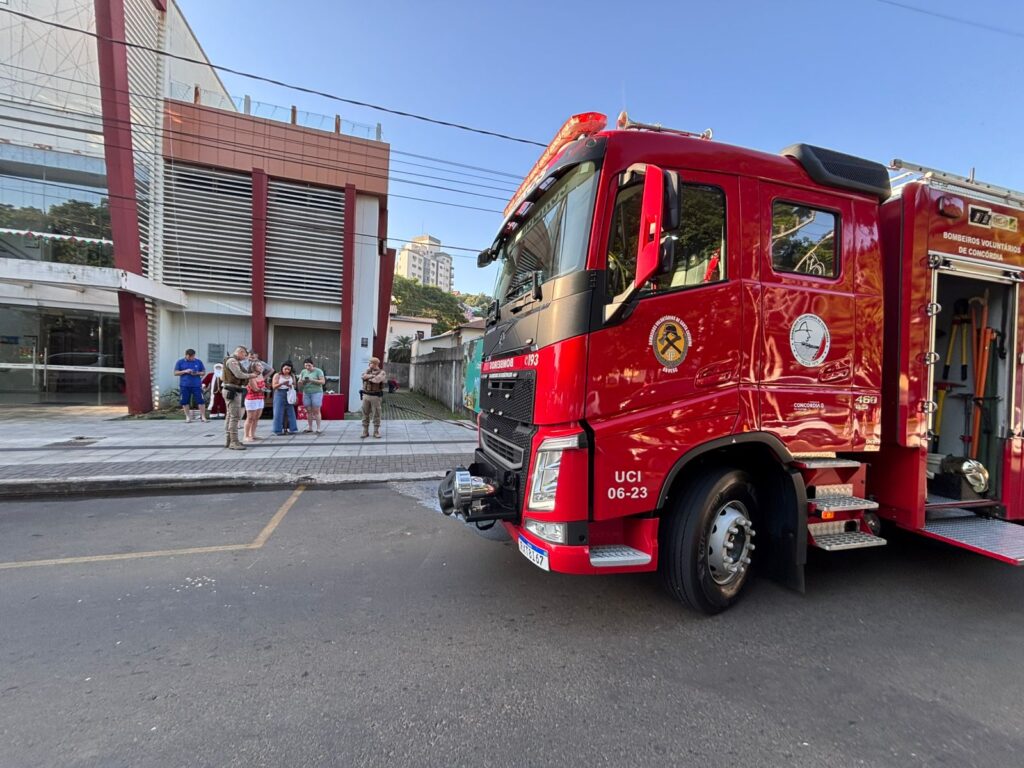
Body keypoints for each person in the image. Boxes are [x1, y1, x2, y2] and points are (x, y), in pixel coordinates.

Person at [221, 345, 258, 450]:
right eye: (245, 355)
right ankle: (234, 442)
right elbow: (238, 374)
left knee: (230, 416)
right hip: (232, 390)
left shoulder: (231, 360)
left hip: (231, 389)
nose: (245, 357)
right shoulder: (232, 361)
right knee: (234, 417)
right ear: (240, 352)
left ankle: (229, 440)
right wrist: (251, 375)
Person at [173, 348, 208, 423]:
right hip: (184, 385)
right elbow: (175, 373)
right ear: (186, 355)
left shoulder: (198, 362)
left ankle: (203, 417)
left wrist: (196, 373)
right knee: (185, 401)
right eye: (190, 357)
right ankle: (188, 417)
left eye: (193, 357)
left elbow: (203, 372)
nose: (191, 358)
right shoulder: (180, 362)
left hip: (196, 385)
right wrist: (185, 371)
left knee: (201, 401)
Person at [360, 356, 387, 439]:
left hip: (375, 396)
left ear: (375, 364)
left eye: (371, 363)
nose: (369, 364)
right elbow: (362, 376)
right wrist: (371, 376)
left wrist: (369, 377)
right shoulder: (367, 371)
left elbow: (377, 380)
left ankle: (376, 431)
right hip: (366, 395)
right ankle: (365, 431)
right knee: (365, 413)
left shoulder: (382, 372)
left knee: (376, 414)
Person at [297, 357, 326, 434]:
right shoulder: (303, 372)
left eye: (309, 365)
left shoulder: (318, 371)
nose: (307, 367)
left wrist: (311, 380)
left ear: (312, 365)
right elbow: (300, 382)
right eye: (306, 365)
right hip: (306, 392)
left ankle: (318, 428)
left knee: (316, 410)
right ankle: (310, 427)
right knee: (308, 410)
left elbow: (323, 382)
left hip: (316, 392)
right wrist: (301, 382)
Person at [271, 361, 299, 436]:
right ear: (282, 368)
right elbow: (274, 386)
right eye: (285, 369)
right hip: (279, 393)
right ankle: (277, 430)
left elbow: (295, 386)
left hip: (289, 392)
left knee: (291, 411)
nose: (287, 371)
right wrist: (282, 383)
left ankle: (293, 429)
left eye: (288, 369)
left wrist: (291, 386)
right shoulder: (277, 375)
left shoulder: (292, 376)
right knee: (278, 412)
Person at [243, 363, 266, 443]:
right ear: (253, 367)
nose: (261, 367)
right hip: (252, 399)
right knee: (250, 418)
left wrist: (263, 389)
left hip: (260, 398)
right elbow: (255, 389)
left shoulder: (260, 375)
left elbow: (262, 386)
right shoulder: (251, 376)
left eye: (261, 365)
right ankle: (246, 436)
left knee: (256, 418)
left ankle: (252, 434)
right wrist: (262, 389)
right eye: (258, 365)